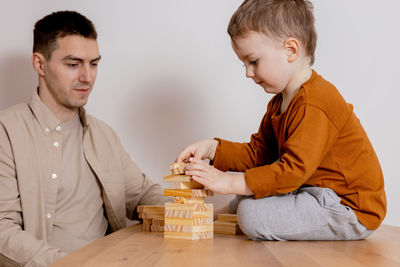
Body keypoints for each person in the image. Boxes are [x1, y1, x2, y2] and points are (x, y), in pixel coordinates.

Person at [177, 0, 386, 241]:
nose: (247, 72)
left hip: (347, 207)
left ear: (290, 50)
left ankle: (235, 214)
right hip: (311, 191)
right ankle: (222, 215)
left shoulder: (316, 101)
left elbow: (293, 171)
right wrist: (212, 148)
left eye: (253, 61)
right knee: (257, 183)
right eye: (244, 64)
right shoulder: (280, 102)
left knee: (251, 213)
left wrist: (229, 182)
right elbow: (258, 155)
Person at [0, 11, 169, 266]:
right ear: (39, 64)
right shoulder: (7, 131)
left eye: (93, 64)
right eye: (73, 64)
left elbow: (142, 195)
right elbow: (3, 232)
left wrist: (195, 213)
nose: (87, 77)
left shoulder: (103, 135)